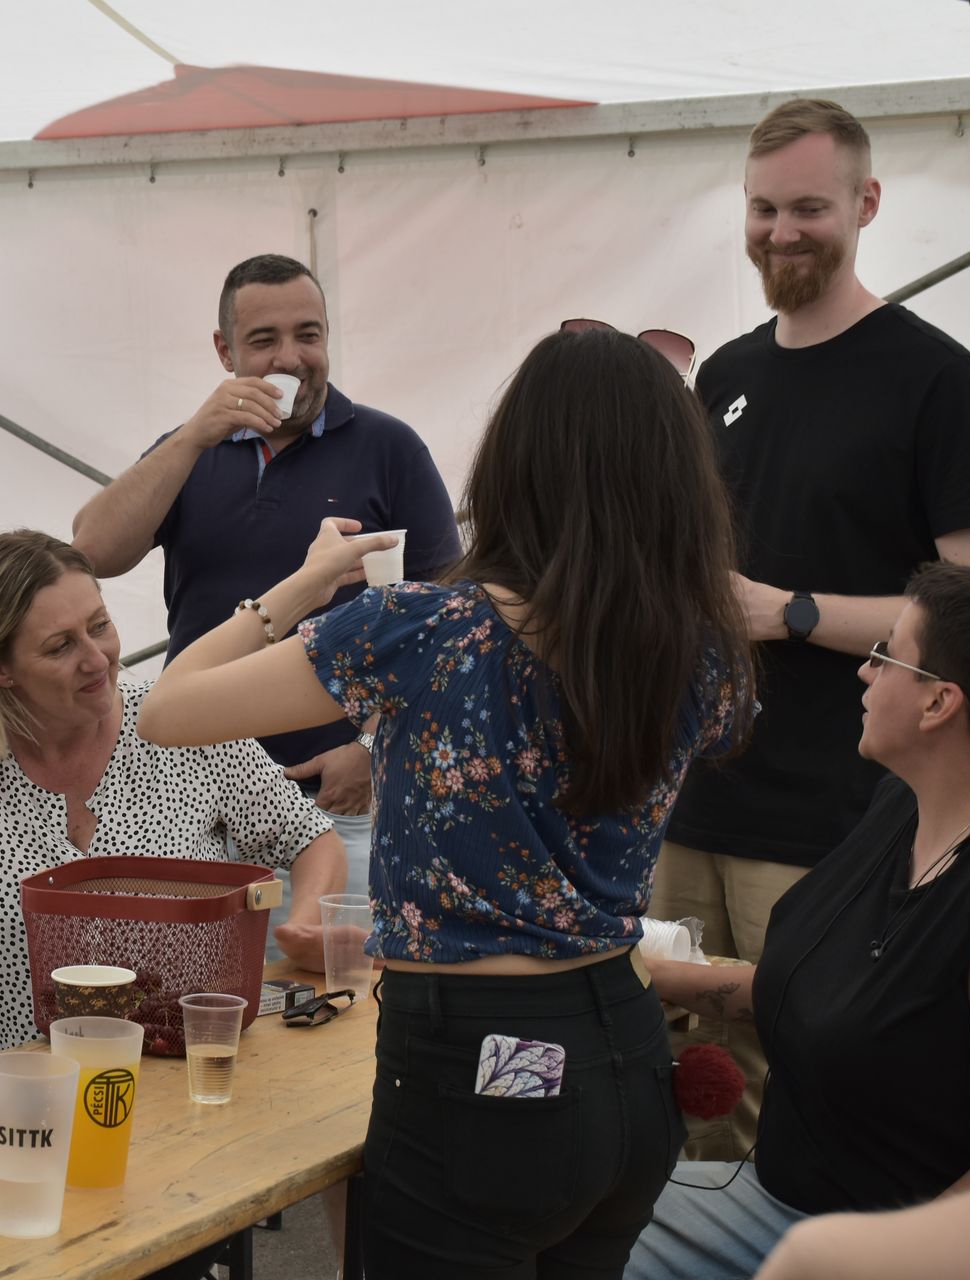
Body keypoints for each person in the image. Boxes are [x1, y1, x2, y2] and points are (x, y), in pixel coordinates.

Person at [139, 327, 756, 1275]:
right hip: (628, 1054)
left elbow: (168, 710)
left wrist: (301, 585)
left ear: (516, 467)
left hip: (480, 1066)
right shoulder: (701, 649)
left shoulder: (425, 631)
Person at [656, 97, 970, 1159]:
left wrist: (794, 612)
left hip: (840, 815)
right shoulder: (725, 376)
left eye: (808, 208)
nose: (782, 232)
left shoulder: (935, 377)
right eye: (763, 209)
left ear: (865, 204)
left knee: (797, 1098)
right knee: (679, 1077)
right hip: (694, 800)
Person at [626, 564, 970, 1279]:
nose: (865, 670)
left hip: (879, 1251)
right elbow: (812, 994)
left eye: (887, 654)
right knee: (566, 1214)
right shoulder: (902, 806)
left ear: (939, 703)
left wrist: (853, 1262)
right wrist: (638, 973)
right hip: (779, 1201)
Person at [71, 253, 461, 912]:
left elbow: (449, 623)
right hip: (194, 801)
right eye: (263, 340)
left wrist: (368, 747)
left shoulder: (389, 448)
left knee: (334, 975)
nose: (290, 357)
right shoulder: (188, 450)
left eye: (308, 334)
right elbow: (92, 551)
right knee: (203, 981)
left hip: (337, 801)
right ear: (224, 352)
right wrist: (191, 438)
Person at [0, 530, 345, 1061]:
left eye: (99, 625)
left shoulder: (181, 721)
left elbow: (309, 838)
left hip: (181, 1074)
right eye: (60, 646)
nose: (97, 658)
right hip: (19, 1086)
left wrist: (306, 921)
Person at [753, 797, 970, 1279]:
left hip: (889, 1245)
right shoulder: (900, 805)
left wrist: (876, 1256)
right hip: (782, 1200)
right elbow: (824, 1000)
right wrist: (665, 975)